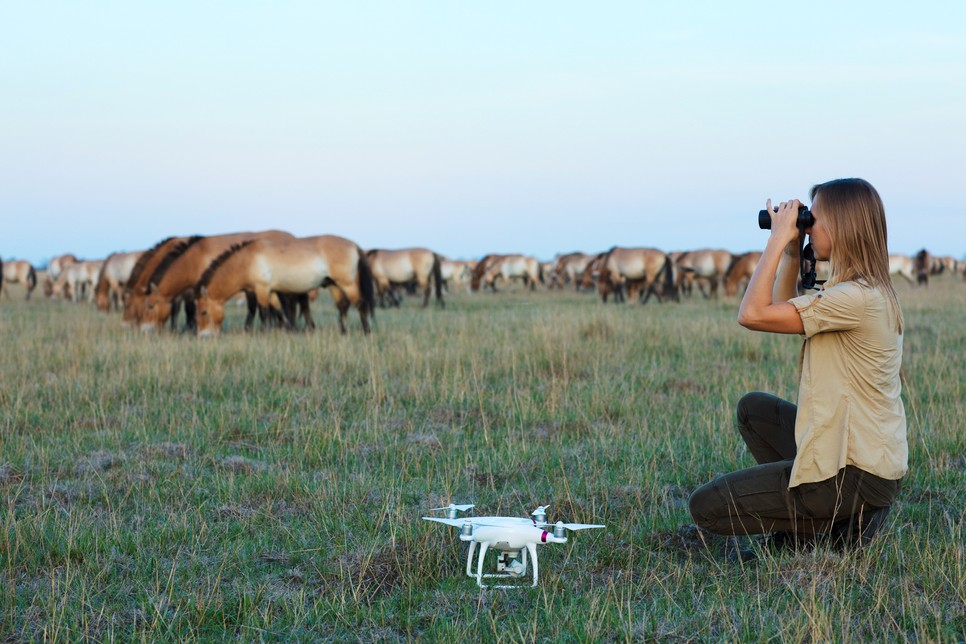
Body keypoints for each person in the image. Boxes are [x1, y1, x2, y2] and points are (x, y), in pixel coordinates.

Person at [688, 178, 907, 552]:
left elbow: (753, 314)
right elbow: (779, 310)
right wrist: (791, 252)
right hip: (863, 462)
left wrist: (775, 240)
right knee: (754, 410)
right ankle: (834, 516)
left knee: (705, 507)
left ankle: (833, 520)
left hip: (854, 473)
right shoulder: (863, 290)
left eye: (812, 219)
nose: (806, 226)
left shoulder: (854, 298)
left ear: (841, 226)